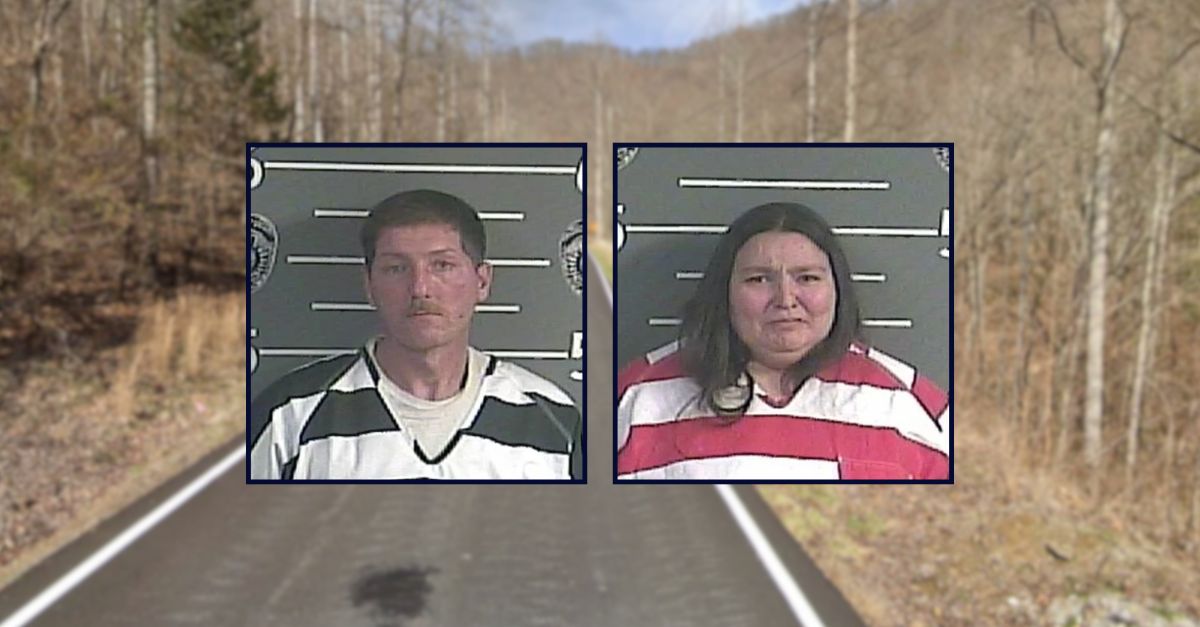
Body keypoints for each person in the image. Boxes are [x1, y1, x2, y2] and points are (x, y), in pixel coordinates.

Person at [250, 189, 582, 480]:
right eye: (396, 268)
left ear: (482, 281)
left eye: (442, 265)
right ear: (369, 285)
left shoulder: (553, 420)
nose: (420, 288)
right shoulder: (290, 415)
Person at [616, 202, 948, 480]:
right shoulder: (639, 394)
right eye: (759, 279)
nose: (786, 299)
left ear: (837, 288)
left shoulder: (910, 402)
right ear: (724, 291)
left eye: (808, 278)